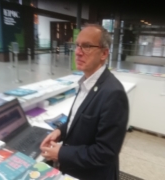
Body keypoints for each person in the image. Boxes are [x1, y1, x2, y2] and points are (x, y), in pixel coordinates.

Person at [40, 24, 129, 180]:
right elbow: (78, 120)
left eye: (87, 46)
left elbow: (105, 153)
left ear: (104, 53)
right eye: (77, 46)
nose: (78, 52)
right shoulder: (86, 82)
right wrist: (60, 131)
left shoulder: (113, 94)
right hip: (75, 169)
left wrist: (61, 153)